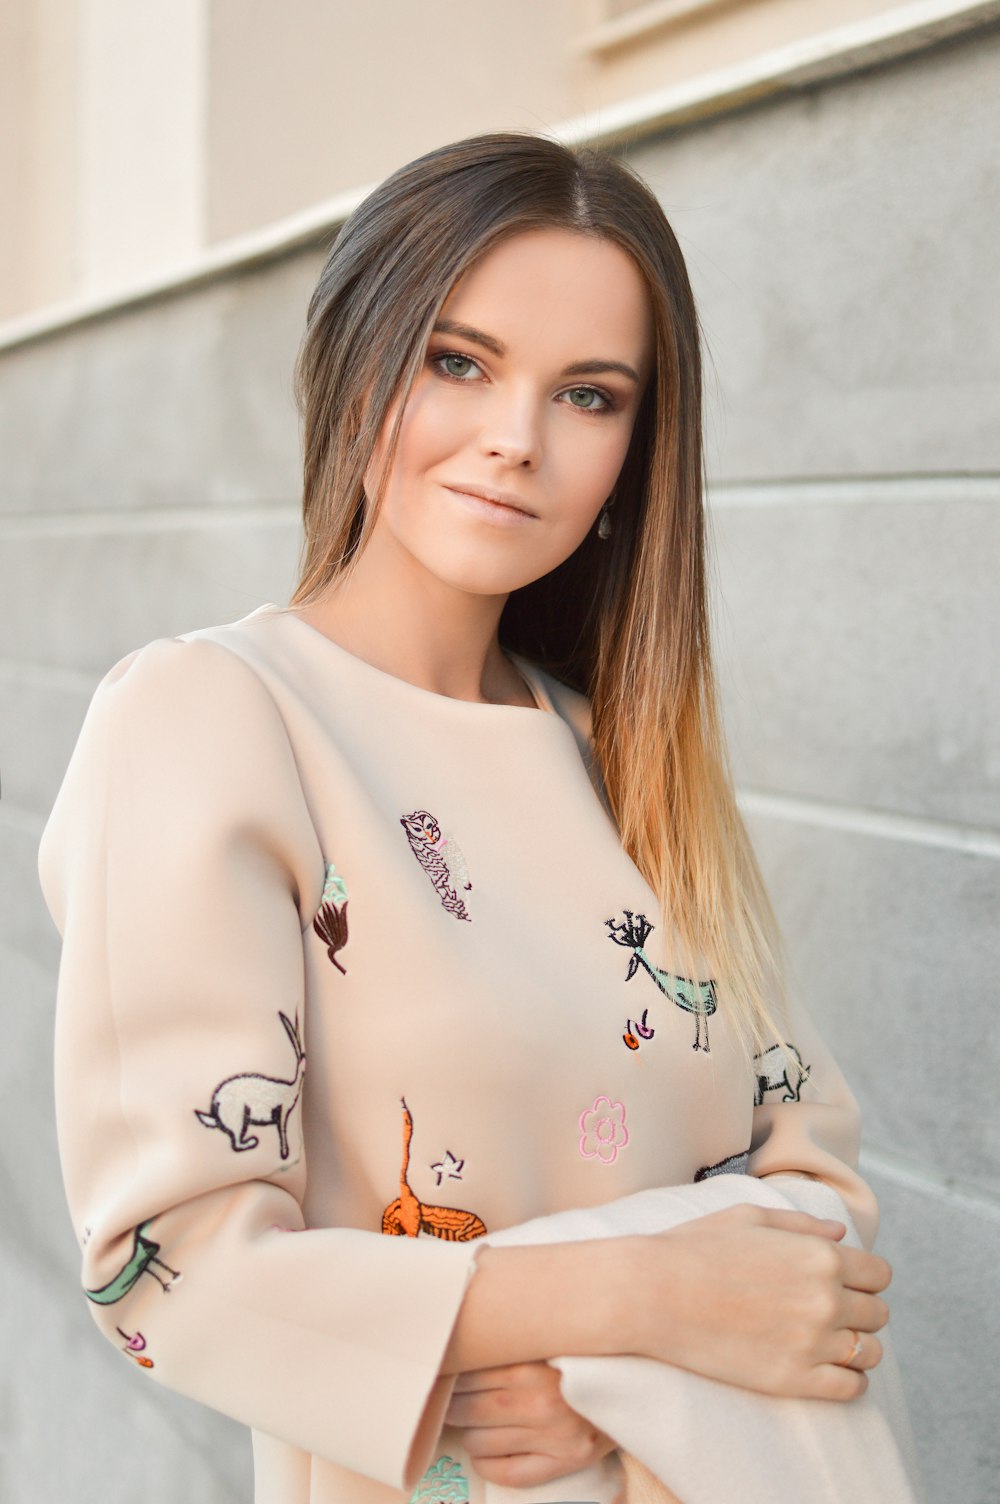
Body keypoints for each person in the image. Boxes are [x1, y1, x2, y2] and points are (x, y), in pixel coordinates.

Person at [39, 132, 895, 1504]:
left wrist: (607, 1391)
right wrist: (641, 1306)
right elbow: (168, 1268)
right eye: (460, 362)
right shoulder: (212, 717)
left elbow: (820, 1220)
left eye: (591, 395)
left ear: (637, 451)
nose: (518, 438)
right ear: (357, 360)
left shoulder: (626, 758)